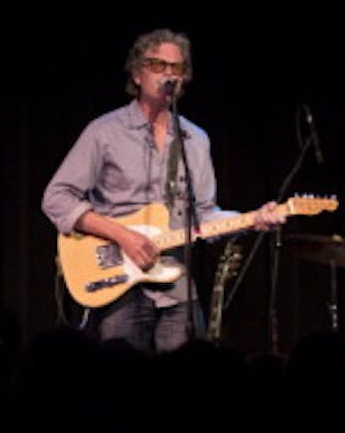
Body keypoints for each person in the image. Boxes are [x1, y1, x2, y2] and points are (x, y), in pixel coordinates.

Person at [42, 28, 285, 355]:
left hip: (177, 288)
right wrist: (122, 235)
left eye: (177, 68)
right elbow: (56, 198)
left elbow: (206, 217)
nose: (169, 74)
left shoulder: (195, 140)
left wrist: (253, 219)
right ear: (137, 73)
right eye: (158, 65)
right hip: (119, 284)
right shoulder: (105, 132)